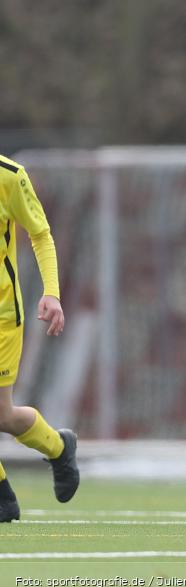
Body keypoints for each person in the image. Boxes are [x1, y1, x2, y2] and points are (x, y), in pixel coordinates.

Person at [0, 155, 79, 523]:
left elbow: (41, 233)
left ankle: (59, 447)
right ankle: (4, 499)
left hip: (2, 316)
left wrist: (52, 292)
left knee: (4, 415)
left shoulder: (10, 176)